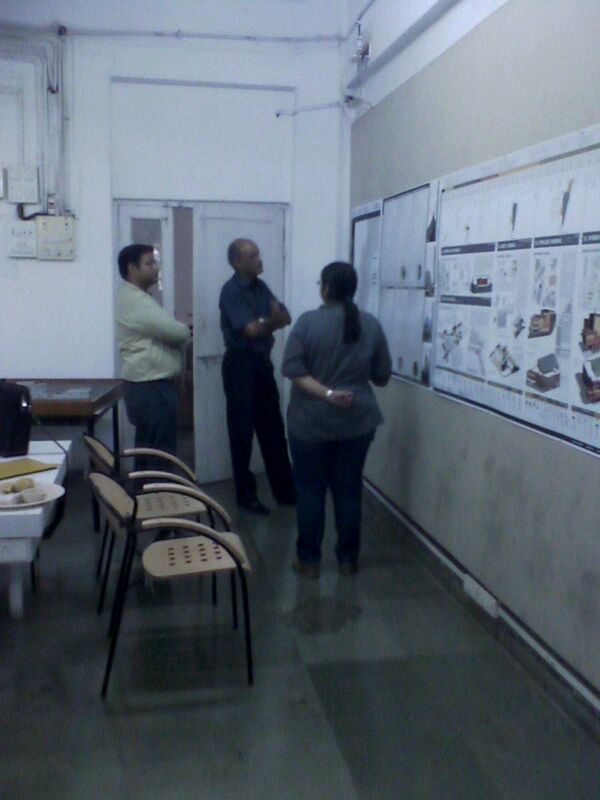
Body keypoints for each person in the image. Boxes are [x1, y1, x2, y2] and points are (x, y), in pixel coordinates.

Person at [282, 261, 392, 578]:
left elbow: (292, 370)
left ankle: (309, 562)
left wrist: (327, 393)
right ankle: (347, 560)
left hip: (309, 424)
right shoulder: (370, 325)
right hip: (357, 423)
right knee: (348, 491)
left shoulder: (307, 323)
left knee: (310, 492)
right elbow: (382, 376)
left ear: (326, 288)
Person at [219, 238, 296, 514]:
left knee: (273, 429)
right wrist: (270, 321)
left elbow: (286, 316)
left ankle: (285, 492)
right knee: (241, 433)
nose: (259, 259)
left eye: (258, 253)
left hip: (262, 364)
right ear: (236, 262)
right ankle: (246, 496)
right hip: (239, 365)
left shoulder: (261, 287)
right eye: (251, 256)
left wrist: (266, 322)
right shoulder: (231, 291)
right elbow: (250, 330)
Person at [116, 244, 191, 466]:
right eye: (149, 263)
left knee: (148, 451)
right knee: (160, 456)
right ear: (132, 268)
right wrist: (183, 330)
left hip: (145, 385)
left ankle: (144, 488)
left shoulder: (133, 297)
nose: (156, 268)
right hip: (151, 388)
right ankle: (157, 489)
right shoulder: (136, 300)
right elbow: (178, 333)